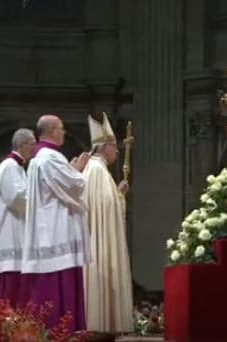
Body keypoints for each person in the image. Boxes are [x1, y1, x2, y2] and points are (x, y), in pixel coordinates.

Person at [22, 114, 91, 331]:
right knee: (59, 285)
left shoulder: (39, 158)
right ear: (51, 131)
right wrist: (80, 170)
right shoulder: (50, 157)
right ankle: (63, 331)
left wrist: (70, 169)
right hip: (56, 231)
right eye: (61, 128)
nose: (64, 132)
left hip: (48, 230)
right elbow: (74, 185)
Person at [81, 112, 134, 333]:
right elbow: (105, 208)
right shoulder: (97, 170)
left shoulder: (96, 169)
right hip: (98, 243)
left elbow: (105, 202)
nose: (118, 150)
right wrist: (118, 198)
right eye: (114, 146)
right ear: (103, 147)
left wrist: (118, 193)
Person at [0, 128, 36, 307]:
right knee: (9, 290)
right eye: (32, 145)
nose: (34, 149)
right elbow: (16, 197)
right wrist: (41, 200)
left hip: (18, 231)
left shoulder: (18, 168)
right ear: (22, 145)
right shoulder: (9, 167)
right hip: (9, 234)